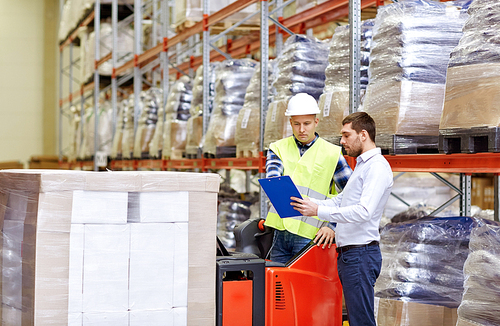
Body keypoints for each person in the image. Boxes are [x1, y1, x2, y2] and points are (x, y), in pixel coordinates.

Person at [290, 111, 393, 326]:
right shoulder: (363, 165)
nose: (342, 141)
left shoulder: (377, 167)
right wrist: (309, 204)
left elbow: (364, 211)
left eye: (346, 135)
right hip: (351, 255)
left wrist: (318, 211)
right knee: (357, 318)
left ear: (363, 134)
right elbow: (342, 201)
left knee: (361, 321)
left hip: (360, 254)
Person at [264, 93, 353, 264]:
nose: (302, 129)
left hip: (311, 236)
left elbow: (352, 193)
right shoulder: (277, 148)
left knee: (304, 287)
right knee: (276, 286)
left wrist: (333, 226)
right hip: (280, 232)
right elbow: (273, 180)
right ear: (290, 123)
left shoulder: (332, 153)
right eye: (296, 124)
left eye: (307, 124)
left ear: (316, 122)